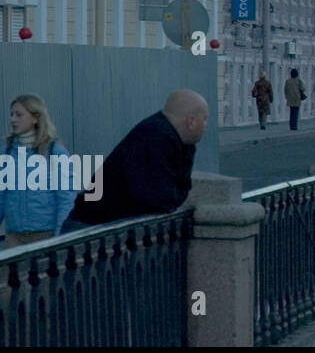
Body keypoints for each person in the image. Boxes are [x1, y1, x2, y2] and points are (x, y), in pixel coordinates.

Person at [64, 90, 207, 228]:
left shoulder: (176, 141)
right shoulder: (154, 137)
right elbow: (157, 195)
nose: (206, 125)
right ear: (191, 121)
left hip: (105, 224)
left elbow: (174, 193)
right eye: (205, 119)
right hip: (91, 227)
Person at [0, 94, 78, 246]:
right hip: (14, 238)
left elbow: (66, 198)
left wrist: (60, 236)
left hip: (46, 236)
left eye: (19, 115)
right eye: (11, 114)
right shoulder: (7, 153)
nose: (13, 119)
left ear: (35, 118)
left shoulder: (55, 151)